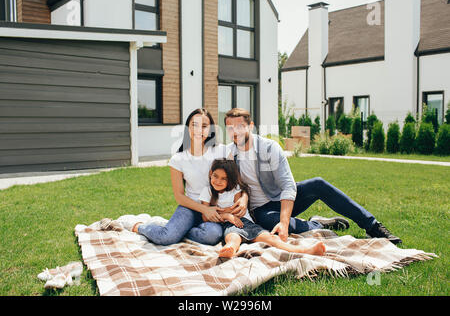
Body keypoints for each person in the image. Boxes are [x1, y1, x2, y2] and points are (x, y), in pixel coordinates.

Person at [222, 108, 402, 245]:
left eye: (240, 126)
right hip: (261, 210)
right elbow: (234, 186)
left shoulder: (269, 148)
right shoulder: (229, 154)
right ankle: (317, 225)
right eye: (230, 128)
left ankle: (372, 226)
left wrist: (284, 222)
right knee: (271, 222)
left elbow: (288, 186)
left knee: (318, 184)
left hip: (282, 199)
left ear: (251, 126)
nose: (235, 132)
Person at [114, 108, 248, 245]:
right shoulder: (178, 159)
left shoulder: (223, 151)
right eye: (194, 125)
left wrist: (244, 198)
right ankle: (139, 226)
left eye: (204, 126)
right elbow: (179, 195)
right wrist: (204, 209)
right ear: (187, 128)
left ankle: (178, 231)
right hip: (190, 208)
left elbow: (238, 183)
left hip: (216, 210)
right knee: (165, 238)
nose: (199, 130)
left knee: (212, 236)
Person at [199, 158, 326, 258]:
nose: (218, 181)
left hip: (245, 222)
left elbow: (235, 210)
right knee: (233, 238)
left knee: (270, 238)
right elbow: (205, 216)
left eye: (224, 179)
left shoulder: (235, 189)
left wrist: (217, 211)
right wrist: (227, 215)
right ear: (210, 174)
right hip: (227, 226)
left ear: (230, 180)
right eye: (215, 176)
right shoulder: (207, 192)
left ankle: (305, 250)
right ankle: (230, 249)